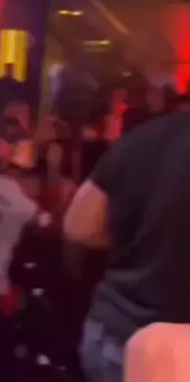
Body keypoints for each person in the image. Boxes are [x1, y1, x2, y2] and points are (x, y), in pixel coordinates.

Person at [64, 112, 190, 382]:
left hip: (108, 334)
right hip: (171, 359)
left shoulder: (146, 136)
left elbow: (78, 225)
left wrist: (143, 244)